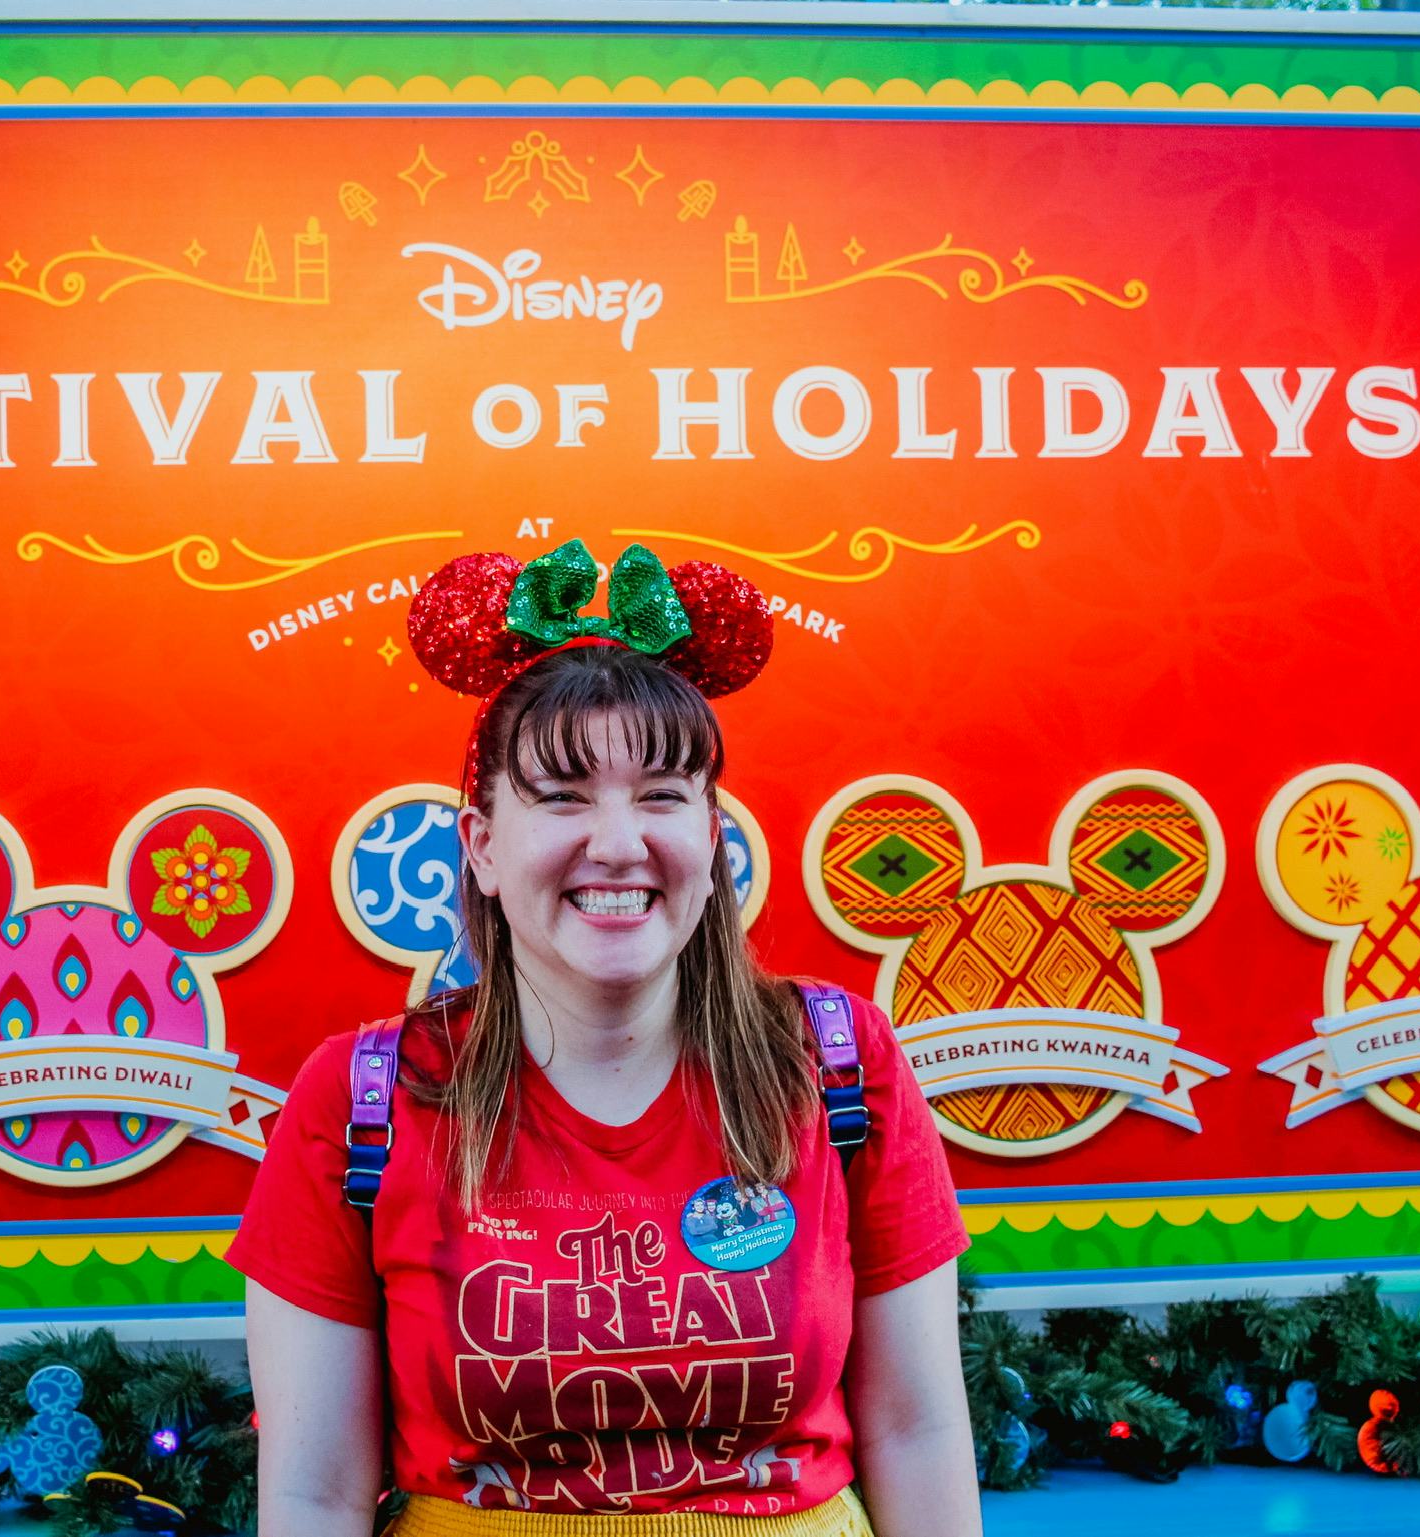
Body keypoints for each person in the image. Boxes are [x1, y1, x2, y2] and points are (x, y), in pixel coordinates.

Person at [229, 541, 978, 1535]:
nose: (619, 842)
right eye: (564, 795)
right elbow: (313, 1493)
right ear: (482, 846)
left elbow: (917, 1430)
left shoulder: (839, 1063)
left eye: (663, 794)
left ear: (711, 841)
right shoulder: (361, 1097)